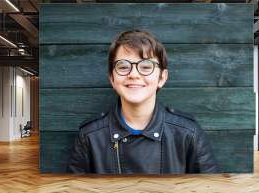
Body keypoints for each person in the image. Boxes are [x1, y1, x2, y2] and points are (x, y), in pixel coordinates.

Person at [68, 29, 218, 174]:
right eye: (123, 66)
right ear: (112, 78)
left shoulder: (188, 134)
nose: (134, 74)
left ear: (162, 78)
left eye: (146, 66)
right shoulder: (89, 136)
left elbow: (209, 192)